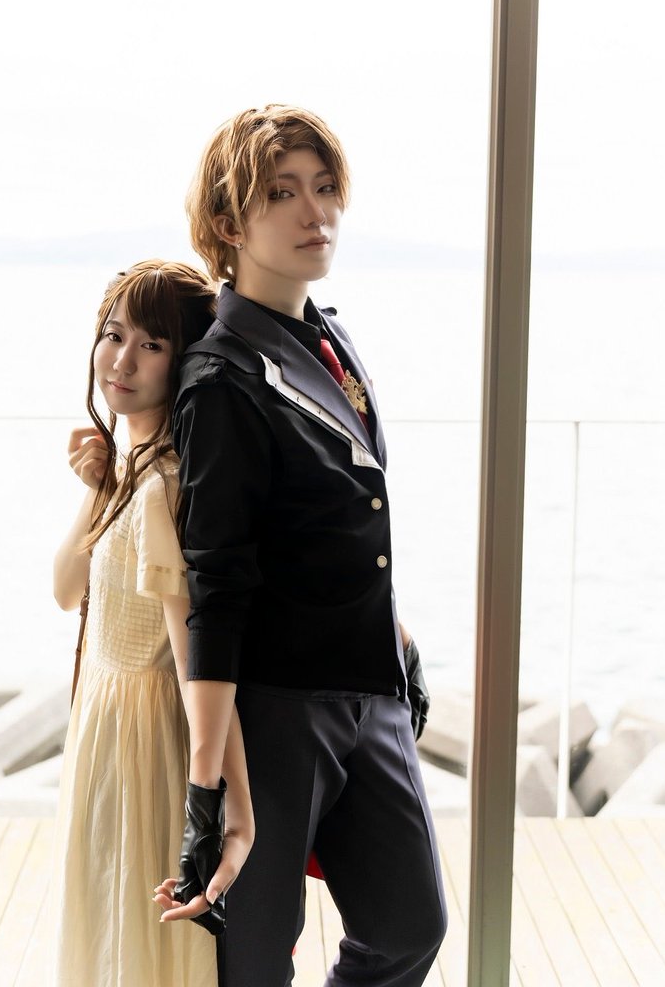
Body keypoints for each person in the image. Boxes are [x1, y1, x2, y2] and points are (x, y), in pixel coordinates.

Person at [154, 106, 448, 986]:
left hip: (372, 688)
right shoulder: (221, 378)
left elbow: (345, 514)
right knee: (255, 954)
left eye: (324, 188)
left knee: (410, 927)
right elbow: (217, 586)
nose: (315, 212)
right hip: (277, 709)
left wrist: (396, 636)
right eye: (282, 194)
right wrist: (207, 788)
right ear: (227, 224)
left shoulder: (331, 337)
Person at [49, 259, 253, 987]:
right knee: (109, 936)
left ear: (184, 359)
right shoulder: (132, 469)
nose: (122, 361)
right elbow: (66, 590)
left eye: (151, 344)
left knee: (136, 946)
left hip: (147, 744)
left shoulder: (163, 484)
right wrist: (98, 487)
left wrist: (228, 808)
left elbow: (199, 657)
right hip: (105, 729)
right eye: (113, 336)